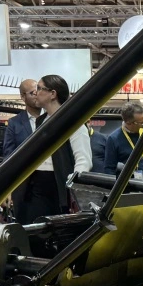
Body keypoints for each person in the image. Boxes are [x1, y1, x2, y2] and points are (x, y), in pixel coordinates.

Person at [13, 74, 93, 224]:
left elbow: (83, 160)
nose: (36, 92)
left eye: (39, 88)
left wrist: (72, 189)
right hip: (35, 187)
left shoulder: (73, 122)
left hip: (59, 188)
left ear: (53, 94)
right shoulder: (41, 121)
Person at [99, 103, 143, 180]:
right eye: (141, 122)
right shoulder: (114, 139)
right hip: (131, 188)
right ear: (129, 123)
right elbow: (109, 169)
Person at [2, 79, 41, 158]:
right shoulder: (14, 123)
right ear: (23, 97)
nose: (37, 95)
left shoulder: (52, 116)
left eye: (39, 91)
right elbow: (8, 155)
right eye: (33, 93)